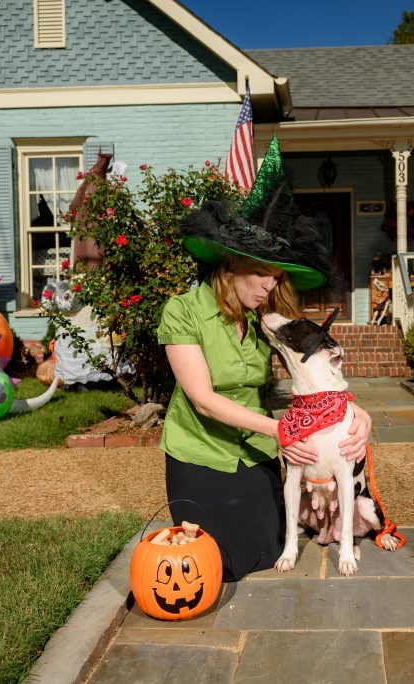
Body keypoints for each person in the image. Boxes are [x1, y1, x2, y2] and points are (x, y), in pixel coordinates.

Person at [155, 137, 373, 582]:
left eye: (274, 278)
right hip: (199, 450)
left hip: (253, 450)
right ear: (231, 266)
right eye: (260, 275)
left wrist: (359, 415)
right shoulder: (183, 310)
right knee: (217, 562)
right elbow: (202, 399)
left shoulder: (264, 322)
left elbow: (314, 374)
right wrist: (282, 430)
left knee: (268, 545)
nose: (267, 288)